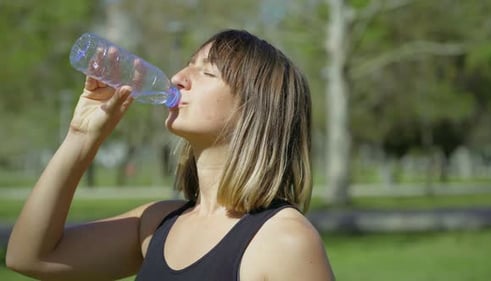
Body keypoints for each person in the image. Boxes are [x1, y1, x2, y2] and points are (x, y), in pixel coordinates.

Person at [6, 29, 335, 281]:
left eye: (207, 72)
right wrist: (81, 137)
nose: (178, 78)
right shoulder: (156, 224)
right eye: (188, 64)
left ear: (255, 110)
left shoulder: (284, 240)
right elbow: (30, 257)